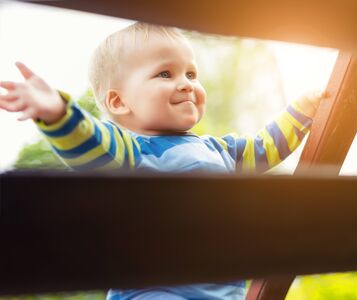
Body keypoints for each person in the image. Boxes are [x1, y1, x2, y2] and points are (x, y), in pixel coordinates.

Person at [0, 22, 323, 299]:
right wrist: (58, 113)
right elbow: (90, 142)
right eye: (165, 73)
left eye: (191, 73)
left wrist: (302, 111)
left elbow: (264, 148)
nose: (186, 83)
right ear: (119, 101)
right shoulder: (131, 151)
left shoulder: (218, 149)